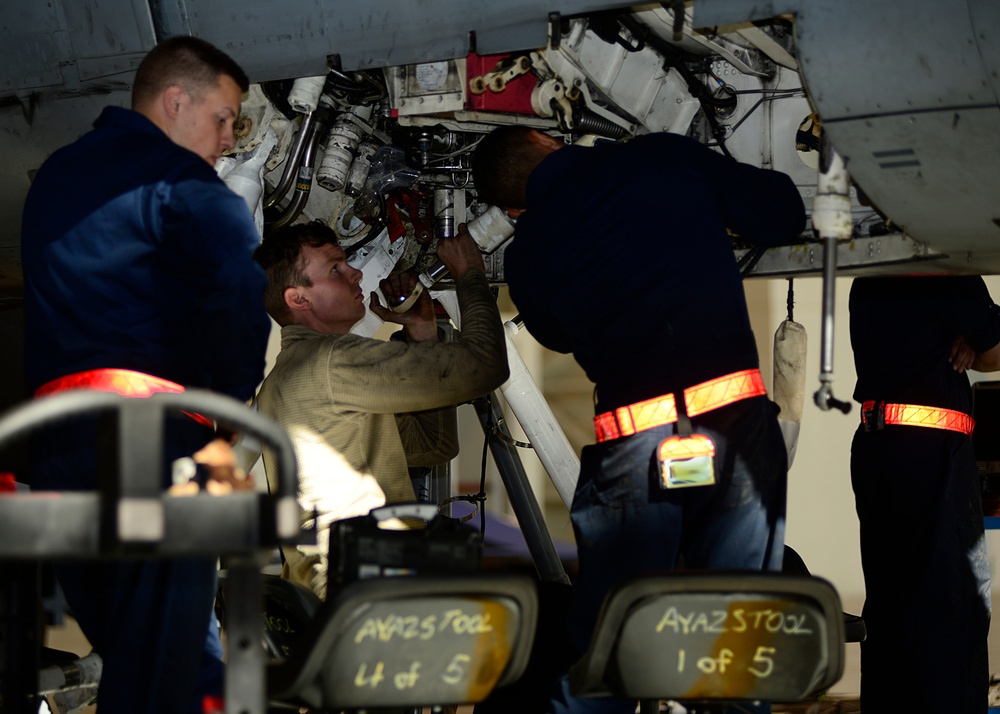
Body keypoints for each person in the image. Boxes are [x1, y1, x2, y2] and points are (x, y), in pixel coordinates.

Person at [471, 126, 806, 713]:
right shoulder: (660, 158)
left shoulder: (527, 256)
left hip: (637, 446)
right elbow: (782, 213)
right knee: (735, 642)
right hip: (734, 429)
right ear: (548, 139)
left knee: (614, 645)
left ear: (514, 208)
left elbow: (553, 332)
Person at [21, 36, 271, 714]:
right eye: (223, 118)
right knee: (176, 668)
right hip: (149, 446)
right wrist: (231, 402)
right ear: (174, 100)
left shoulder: (54, 179)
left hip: (58, 459)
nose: (227, 139)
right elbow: (234, 290)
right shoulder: (182, 181)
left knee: (141, 657)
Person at [253, 220, 509, 598]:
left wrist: (422, 334)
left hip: (342, 590)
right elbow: (486, 364)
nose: (356, 273)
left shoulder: (291, 378)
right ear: (298, 300)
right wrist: (468, 272)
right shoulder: (334, 361)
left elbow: (433, 446)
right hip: (369, 586)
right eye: (336, 269)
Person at [849, 275, 1000, 713]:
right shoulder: (945, 266)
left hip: (879, 450)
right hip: (933, 455)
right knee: (952, 612)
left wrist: (976, 337)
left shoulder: (869, 275)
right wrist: (979, 339)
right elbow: (993, 350)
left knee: (893, 616)